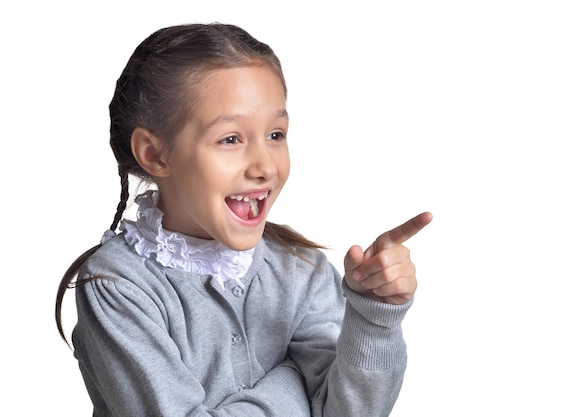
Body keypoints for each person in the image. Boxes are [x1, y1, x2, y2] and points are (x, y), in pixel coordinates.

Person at [55, 22, 432, 417]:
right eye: (230, 139)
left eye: (275, 134)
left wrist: (372, 316)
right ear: (154, 154)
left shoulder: (302, 271)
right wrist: (294, 382)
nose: (265, 166)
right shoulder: (118, 286)